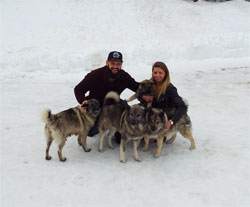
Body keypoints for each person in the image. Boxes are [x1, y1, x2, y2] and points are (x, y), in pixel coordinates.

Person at [74, 51, 139, 137]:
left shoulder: (124, 76)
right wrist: (83, 100)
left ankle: (116, 127)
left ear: (121, 64)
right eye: (113, 63)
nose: (115, 66)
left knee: (124, 109)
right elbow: (78, 89)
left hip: (113, 106)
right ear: (107, 62)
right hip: (97, 108)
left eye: (118, 64)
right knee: (90, 132)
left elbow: (136, 87)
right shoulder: (95, 75)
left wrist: (153, 84)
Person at [142, 61, 187, 130]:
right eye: (155, 73)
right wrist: (143, 97)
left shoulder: (170, 89)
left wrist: (172, 121)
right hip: (152, 113)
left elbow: (182, 106)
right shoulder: (149, 84)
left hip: (163, 116)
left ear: (165, 74)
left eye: (160, 73)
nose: (157, 75)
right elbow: (139, 94)